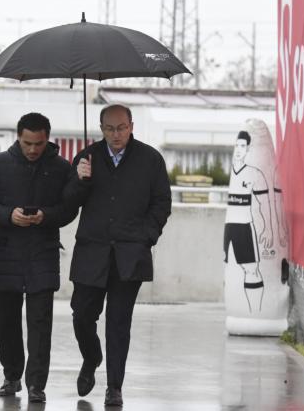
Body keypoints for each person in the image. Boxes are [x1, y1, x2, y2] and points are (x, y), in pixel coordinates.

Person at [64, 104, 172, 407]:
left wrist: (146, 238)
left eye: (121, 127)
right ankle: (91, 357)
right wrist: (79, 180)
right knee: (82, 315)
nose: (116, 134)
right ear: (101, 129)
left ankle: (114, 386)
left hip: (130, 254)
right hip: (91, 252)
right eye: (110, 129)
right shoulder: (86, 159)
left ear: (131, 126)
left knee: (118, 321)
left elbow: (162, 203)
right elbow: (69, 203)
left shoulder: (150, 160)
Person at [0, 112, 77, 404]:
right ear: (18, 137)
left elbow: (69, 208)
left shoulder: (60, 168)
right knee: (6, 320)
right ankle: (11, 375)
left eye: (39, 143)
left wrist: (46, 216)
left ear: (47, 139)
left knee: (40, 322)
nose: (33, 149)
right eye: (28, 143)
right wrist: (8, 215)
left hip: (42, 253)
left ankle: (36, 384)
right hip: (6, 252)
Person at [223, 130, 274, 313]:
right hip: (229, 227)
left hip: (245, 227)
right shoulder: (229, 172)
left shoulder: (254, 174)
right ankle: (236, 312)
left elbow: (265, 203)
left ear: (248, 149)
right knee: (229, 271)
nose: (238, 149)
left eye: (242, 146)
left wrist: (268, 228)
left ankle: (255, 313)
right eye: (236, 145)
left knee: (251, 270)